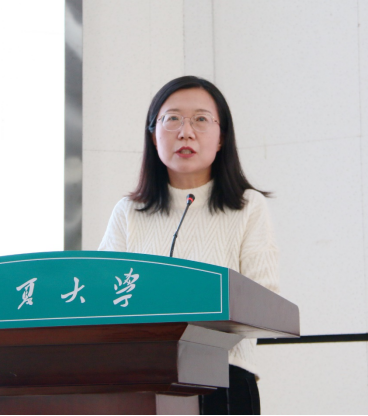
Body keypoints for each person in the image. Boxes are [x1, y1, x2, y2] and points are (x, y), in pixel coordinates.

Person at [99, 76, 280, 415]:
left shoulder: (247, 206)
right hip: (141, 380)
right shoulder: (128, 212)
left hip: (224, 380)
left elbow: (263, 297)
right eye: (172, 119)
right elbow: (103, 299)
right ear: (153, 135)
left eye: (200, 119)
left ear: (221, 136)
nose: (185, 132)